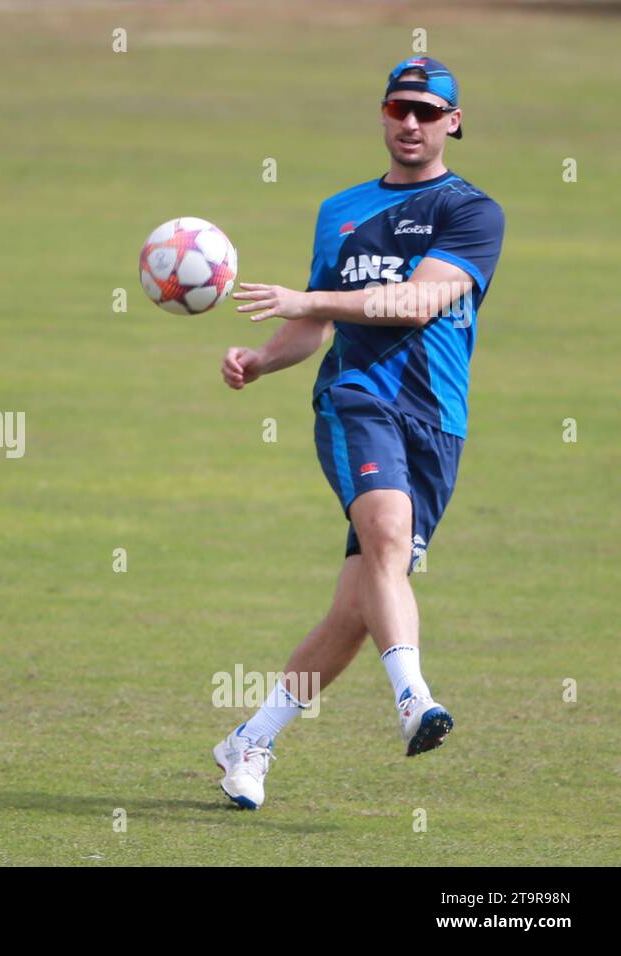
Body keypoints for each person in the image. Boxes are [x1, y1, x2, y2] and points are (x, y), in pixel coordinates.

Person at [213, 57, 504, 808]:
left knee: (358, 604)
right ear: (382, 115)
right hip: (355, 399)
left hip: (437, 422)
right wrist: (263, 359)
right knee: (386, 535)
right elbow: (316, 324)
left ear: (453, 123)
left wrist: (302, 297)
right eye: (398, 108)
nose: (411, 123)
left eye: (427, 112)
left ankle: (250, 740)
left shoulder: (471, 212)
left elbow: (415, 303)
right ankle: (414, 700)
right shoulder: (338, 209)